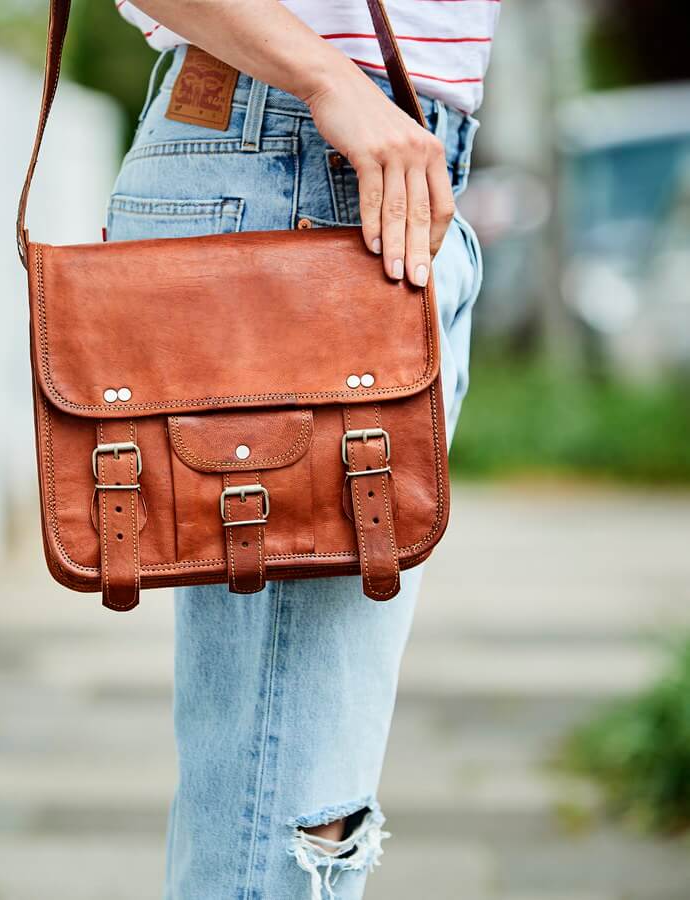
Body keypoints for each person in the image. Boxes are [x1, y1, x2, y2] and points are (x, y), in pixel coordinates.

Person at [107, 1, 498, 897]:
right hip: (302, 159)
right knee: (289, 808)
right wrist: (329, 81)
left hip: (372, 171)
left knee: (296, 787)